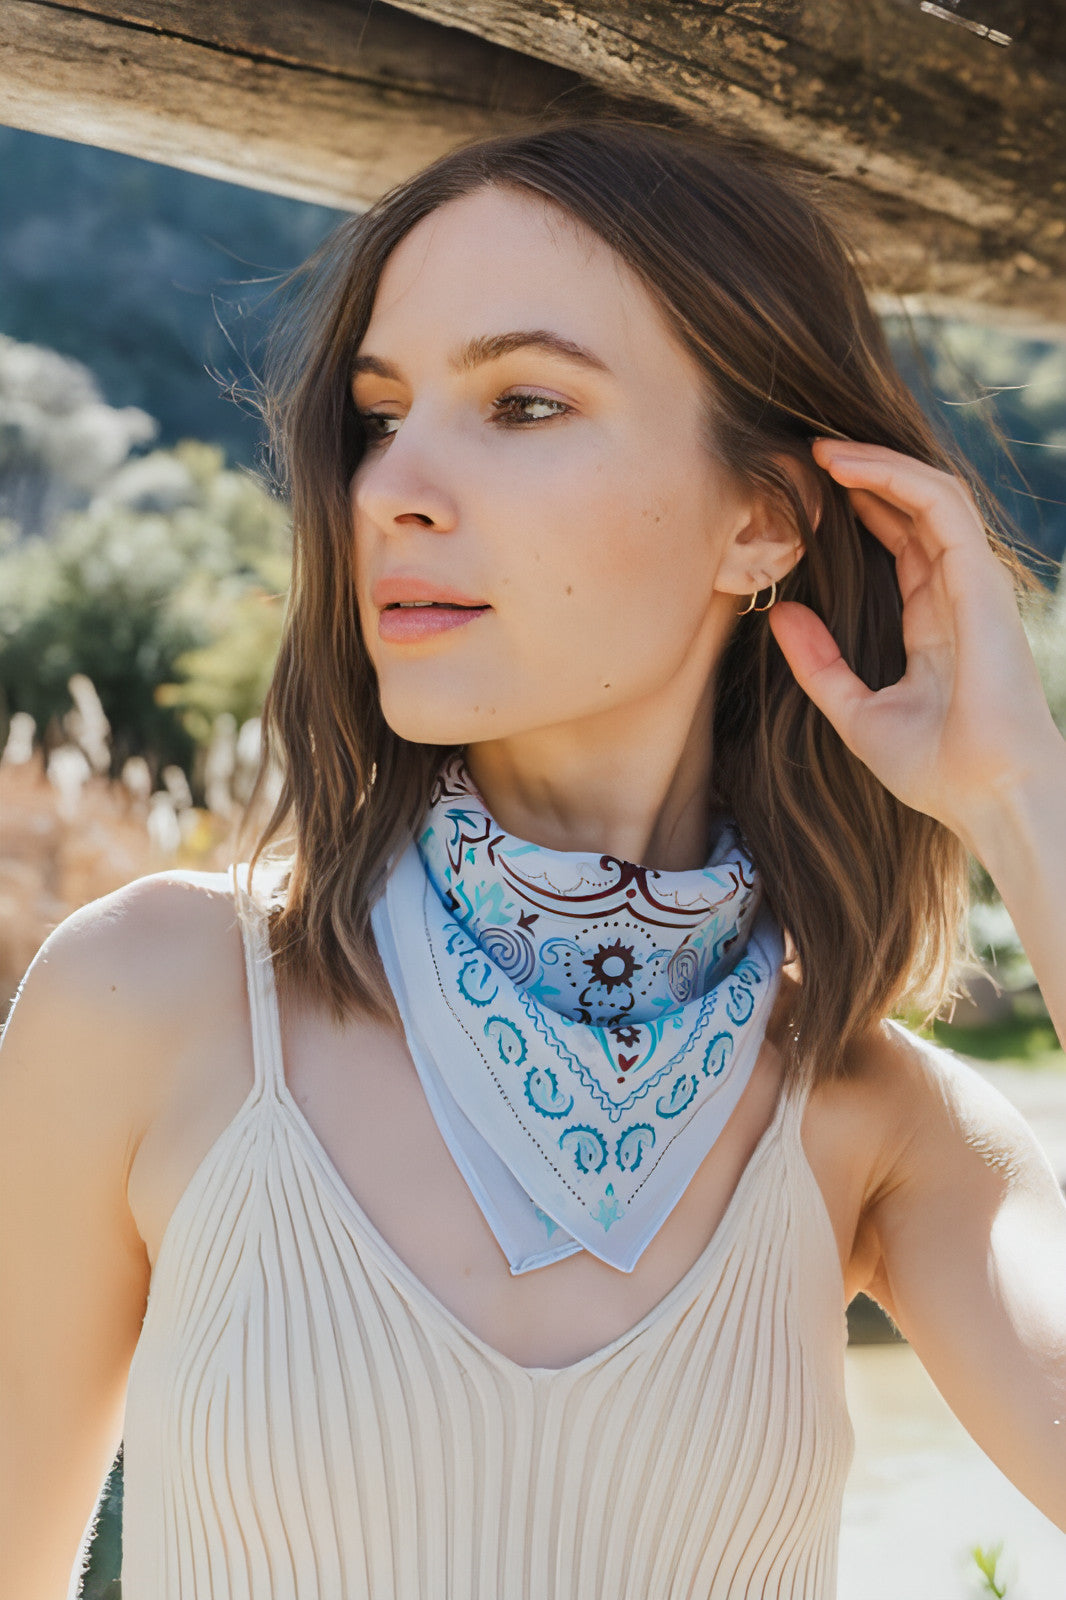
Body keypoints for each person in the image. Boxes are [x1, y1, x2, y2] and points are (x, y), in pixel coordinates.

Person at [2, 118, 1064, 1600]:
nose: (391, 487)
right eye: (381, 415)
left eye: (521, 403)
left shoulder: (880, 1122)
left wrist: (1019, 794)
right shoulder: (155, 998)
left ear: (760, 521)